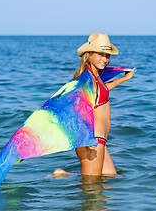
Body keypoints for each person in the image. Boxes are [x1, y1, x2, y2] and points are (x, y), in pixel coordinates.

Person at [54, 33, 134, 177]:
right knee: (91, 188)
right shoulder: (85, 81)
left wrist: (124, 78)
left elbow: (102, 90)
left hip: (99, 139)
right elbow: (76, 111)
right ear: (89, 55)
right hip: (92, 140)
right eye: (100, 54)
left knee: (109, 177)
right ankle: (60, 174)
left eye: (107, 55)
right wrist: (86, 137)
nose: (105, 59)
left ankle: (63, 174)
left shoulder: (95, 78)